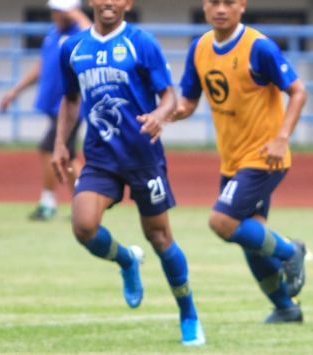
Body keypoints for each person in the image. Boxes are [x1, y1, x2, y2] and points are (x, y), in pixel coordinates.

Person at [52, 0, 204, 346]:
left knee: (160, 237)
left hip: (142, 157)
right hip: (100, 156)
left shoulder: (142, 42)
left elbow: (168, 95)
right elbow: (71, 99)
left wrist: (159, 115)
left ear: (128, 3)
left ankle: (189, 314)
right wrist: (61, 143)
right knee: (84, 226)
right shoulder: (72, 47)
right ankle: (127, 260)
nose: (109, 2)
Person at [173, 0, 308, 323]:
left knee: (222, 221)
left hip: (265, 158)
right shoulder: (199, 48)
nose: (221, 8)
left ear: (242, 6)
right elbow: (188, 102)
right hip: (231, 161)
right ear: (204, 7)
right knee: (254, 240)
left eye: (229, 2)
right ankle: (285, 308)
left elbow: (298, 91)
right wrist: (164, 113)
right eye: (214, 2)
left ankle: (292, 252)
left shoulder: (259, 48)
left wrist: (282, 138)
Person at [0, 0, 90, 221]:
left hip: (71, 106)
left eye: (60, 12)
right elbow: (39, 67)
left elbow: (93, 35)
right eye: (54, 12)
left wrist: (76, 15)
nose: (55, 16)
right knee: (65, 157)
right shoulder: (52, 34)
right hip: (52, 104)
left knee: (50, 150)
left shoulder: (81, 33)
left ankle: (53, 203)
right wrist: (15, 91)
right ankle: (83, 204)